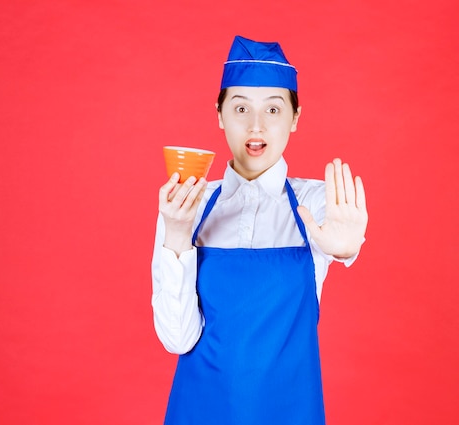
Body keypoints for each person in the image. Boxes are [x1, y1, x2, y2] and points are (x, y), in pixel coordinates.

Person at [151, 35, 368, 425]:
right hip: (199, 411)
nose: (256, 125)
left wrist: (346, 246)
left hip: (290, 413)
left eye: (273, 109)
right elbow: (177, 338)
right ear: (219, 115)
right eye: (240, 108)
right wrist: (179, 234)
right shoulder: (187, 205)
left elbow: (342, 236)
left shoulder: (317, 201)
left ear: (295, 118)